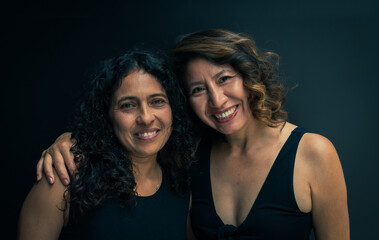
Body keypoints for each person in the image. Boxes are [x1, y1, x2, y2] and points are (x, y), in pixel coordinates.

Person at [35, 29, 350, 239]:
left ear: (248, 78)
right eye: (199, 89)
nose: (217, 100)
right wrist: (68, 142)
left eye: (225, 78)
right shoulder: (191, 157)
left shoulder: (313, 154)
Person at [18, 48, 195, 240]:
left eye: (157, 101)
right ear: (106, 116)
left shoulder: (182, 186)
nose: (145, 118)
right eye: (128, 105)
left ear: (173, 110)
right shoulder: (64, 177)